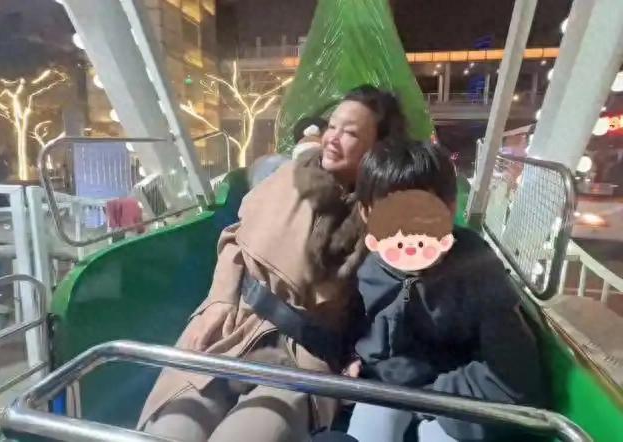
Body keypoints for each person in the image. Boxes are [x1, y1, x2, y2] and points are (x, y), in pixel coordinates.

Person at [138, 85, 408, 442]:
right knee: (170, 431)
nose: (333, 138)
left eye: (351, 133)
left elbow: (383, 300)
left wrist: (358, 357)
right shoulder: (289, 178)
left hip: (303, 354)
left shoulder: (382, 216)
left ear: (377, 148)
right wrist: (219, 300)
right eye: (332, 126)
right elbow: (235, 240)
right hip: (233, 324)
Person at [345, 139, 544, 442]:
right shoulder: (359, 266)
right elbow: (343, 331)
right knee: (370, 424)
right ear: (365, 213)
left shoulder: (478, 270)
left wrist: (429, 394)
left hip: (456, 402)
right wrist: (346, 360)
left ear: (450, 209)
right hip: (384, 389)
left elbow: (515, 379)